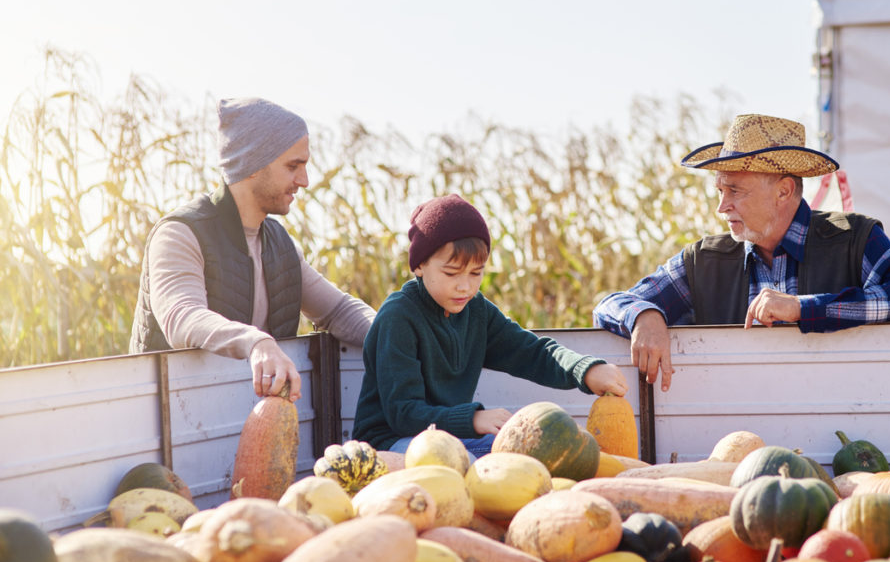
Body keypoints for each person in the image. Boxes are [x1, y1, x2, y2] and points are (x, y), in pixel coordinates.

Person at [593, 113, 890, 392]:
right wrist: (644, 316)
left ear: (784, 191)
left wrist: (804, 308)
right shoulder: (702, 261)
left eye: (734, 191)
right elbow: (609, 306)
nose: (721, 207)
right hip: (738, 442)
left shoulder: (855, 237)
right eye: (719, 190)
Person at [129, 97, 376, 402]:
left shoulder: (280, 246)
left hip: (249, 423)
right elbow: (182, 317)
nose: (305, 180)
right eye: (293, 166)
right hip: (170, 426)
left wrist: (398, 336)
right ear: (253, 165)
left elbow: (339, 311)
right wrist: (257, 343)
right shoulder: (180, 234)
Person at [352, 194, 627, 457]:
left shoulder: (476, 311)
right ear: (420, 265)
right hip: (390, 444)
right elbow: (404, 413)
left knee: (533, 453)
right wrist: (473, 419)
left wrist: (585, 369)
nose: (465, 286)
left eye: (476, 273)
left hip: (450, 439)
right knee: (467, 466)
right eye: (451, 273)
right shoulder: (398, 317)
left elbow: (532, 352)